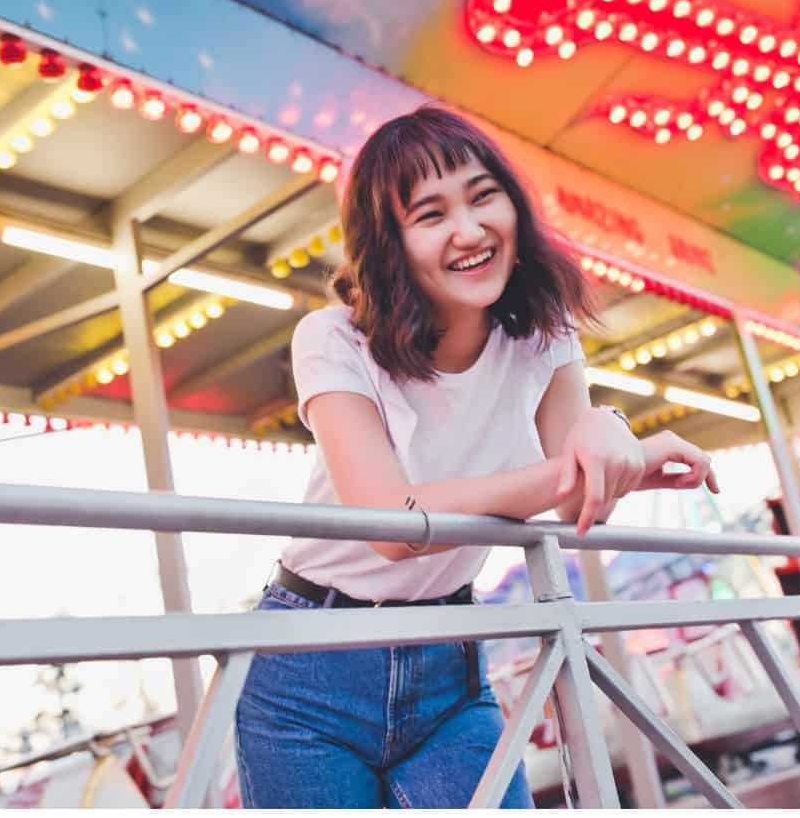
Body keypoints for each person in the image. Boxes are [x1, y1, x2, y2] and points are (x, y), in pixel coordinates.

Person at [233, 105, 719, 809]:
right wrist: (574, 464)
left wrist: (613, 437)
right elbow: (390, 523)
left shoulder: (542, 333)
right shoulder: (333, 338)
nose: (469, 230)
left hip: (447, 659)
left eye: (483, 195)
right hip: (309, 667)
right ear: (390, 245)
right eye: (430, 215)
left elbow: (578, 482)